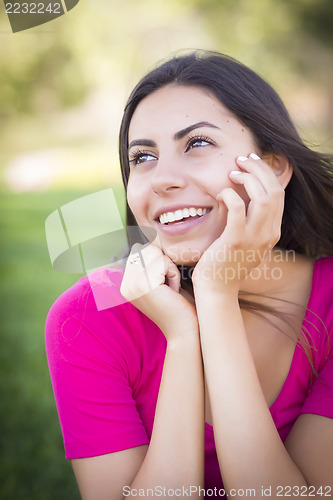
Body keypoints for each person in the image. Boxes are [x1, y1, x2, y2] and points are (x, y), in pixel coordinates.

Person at [45, 51, 333, 499]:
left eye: (196, 144)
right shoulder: (85, 317)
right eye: (142, 157)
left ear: (273, 167)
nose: (161, 179)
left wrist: (218, 295)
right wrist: (181, 336)